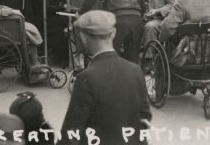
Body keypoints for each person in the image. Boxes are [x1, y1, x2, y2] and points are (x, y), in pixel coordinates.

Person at [59, 11, 151, 145]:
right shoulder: (135, 70)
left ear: (83, 38)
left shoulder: (86, 78)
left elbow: (71, 132)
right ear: (113, 34)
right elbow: (145, 116)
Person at [31, 0, 68, 66]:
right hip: (46, 18)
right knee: (68, 22)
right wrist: (62, 7)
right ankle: (63, 58)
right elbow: (46, 7)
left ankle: (69, 56)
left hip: (55, 13)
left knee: (71, 20)